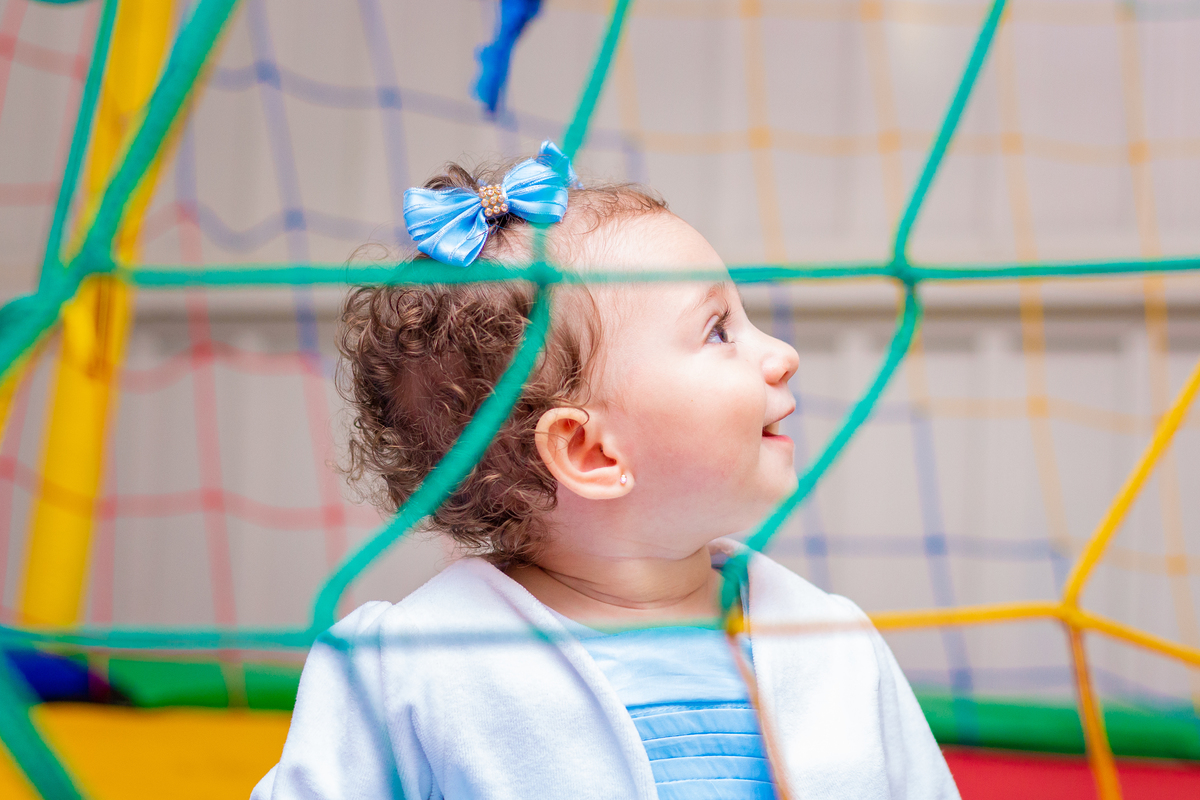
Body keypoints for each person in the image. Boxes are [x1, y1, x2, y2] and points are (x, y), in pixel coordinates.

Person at [252, 141, 959, 800]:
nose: (782, 355)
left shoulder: (832, 642)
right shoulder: (409, 666)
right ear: (592, 453)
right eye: (718, 331)